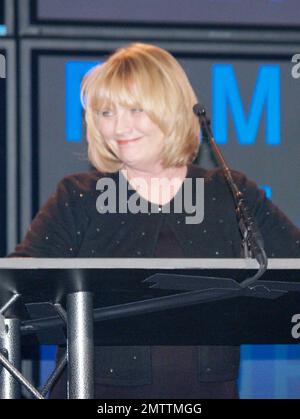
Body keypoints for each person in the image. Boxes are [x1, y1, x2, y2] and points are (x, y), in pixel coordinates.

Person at [10, 43, 300, 399]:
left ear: (172, 110)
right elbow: (18, 286)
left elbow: (294, 267)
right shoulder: (79, 195)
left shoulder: (228, 190)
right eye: (106, 112)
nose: (118, 126)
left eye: (135, 109)